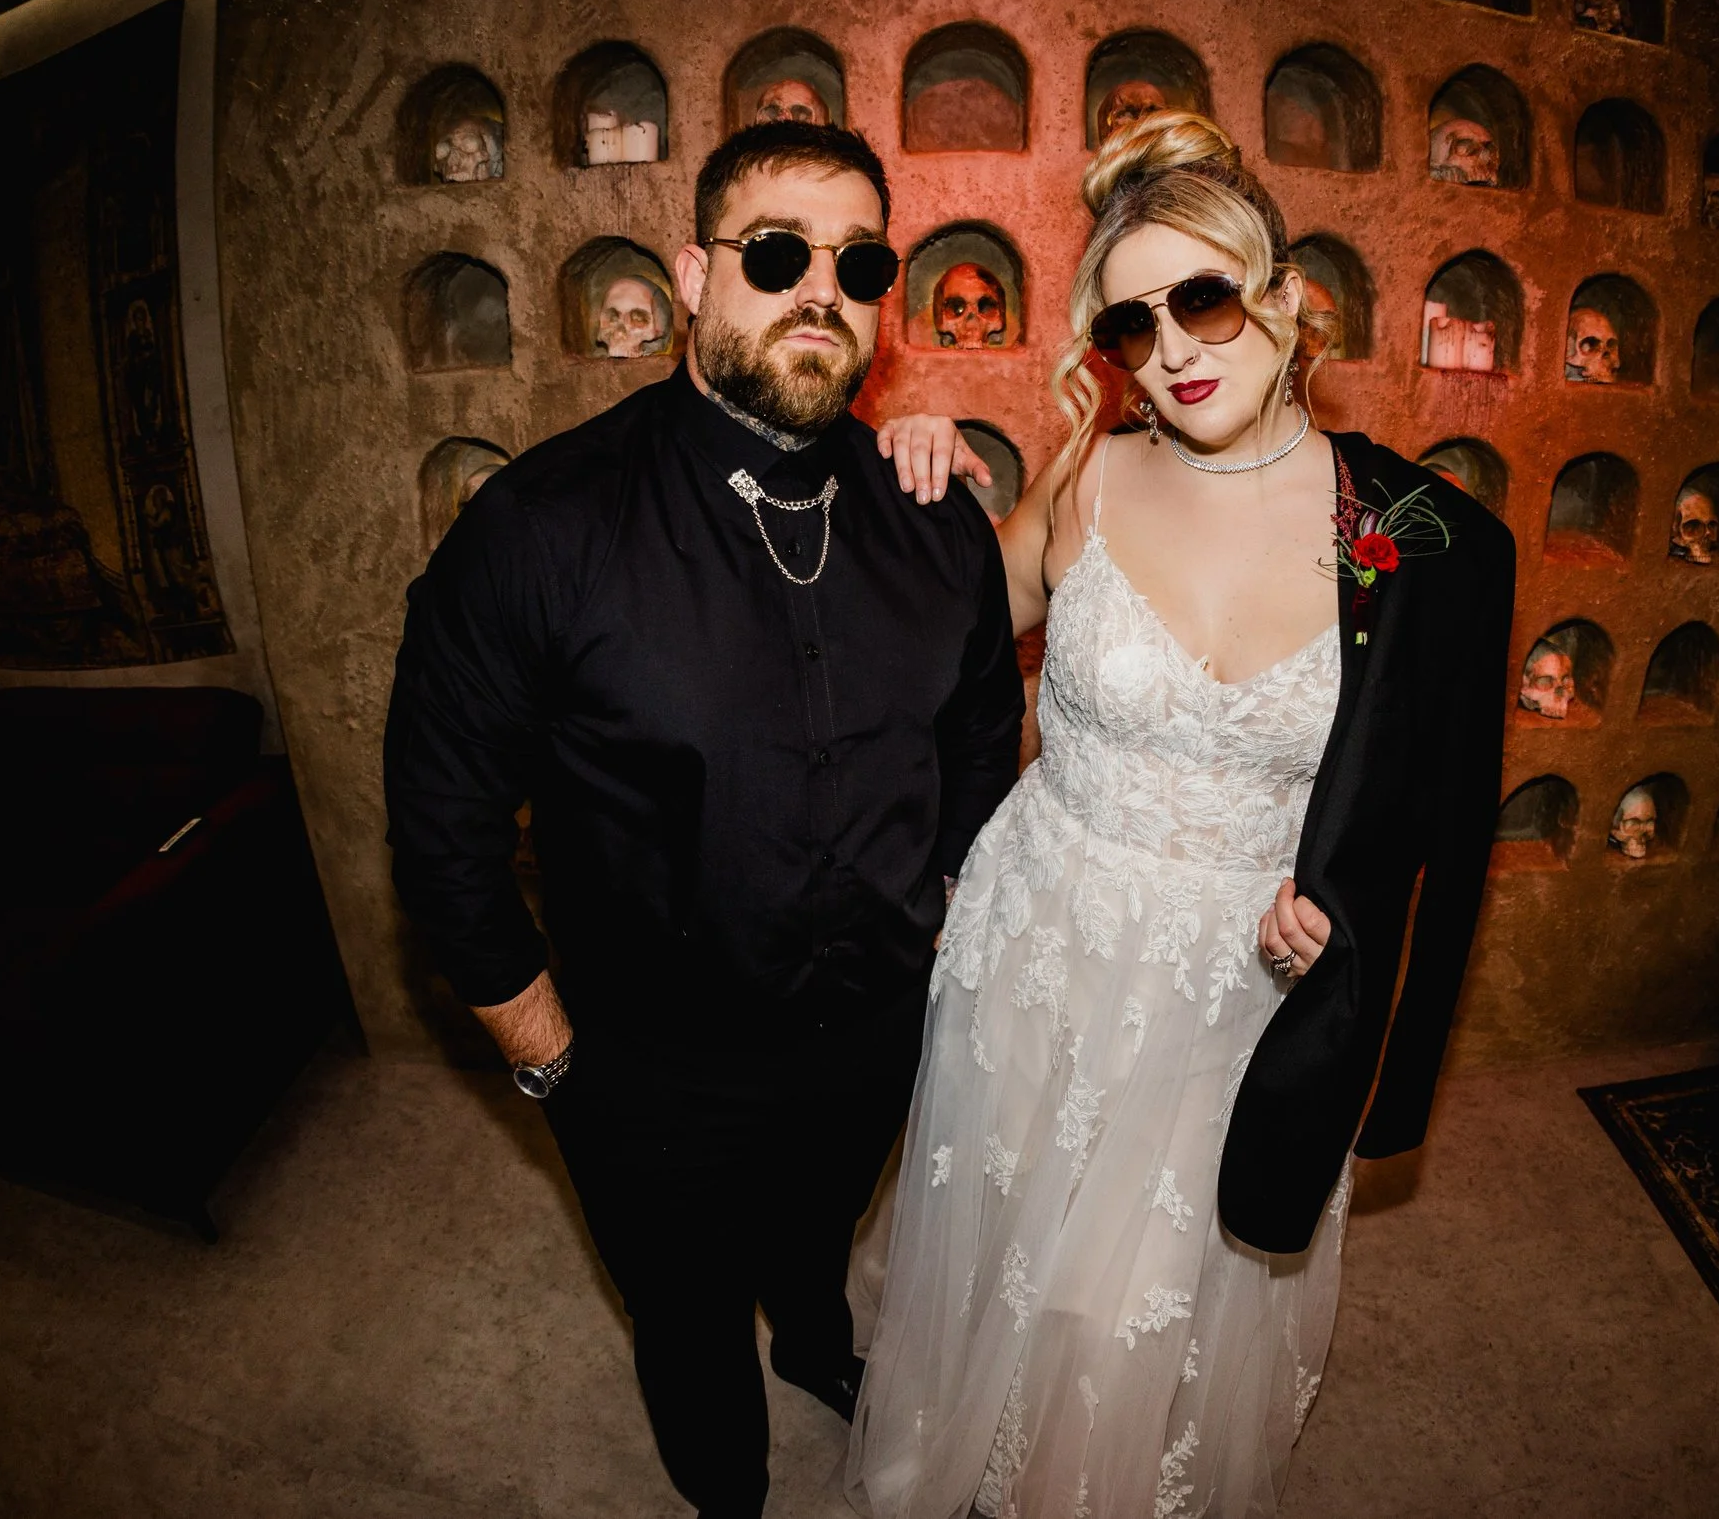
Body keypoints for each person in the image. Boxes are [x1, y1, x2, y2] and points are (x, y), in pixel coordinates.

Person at [848, 113, 1516, 1518]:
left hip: (1237, 984)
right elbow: (948, 623)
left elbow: (1422, 791)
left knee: (1133, 1311)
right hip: (1043, 936)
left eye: (1203, 297)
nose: (1172, 348)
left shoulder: (1405, 536)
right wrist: (898, 470)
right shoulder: (1091, 475)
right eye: (1129, 323)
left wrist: (1335, 891)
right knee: (1015, 1254)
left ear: (1285, 300)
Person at [382, 120, 1026, 1519]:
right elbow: (443, 826)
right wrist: (557, 1066)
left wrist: (951, 915)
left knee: (815, 1237)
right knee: (684, 1322)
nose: (821, 292)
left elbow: (982, 730)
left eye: (858, 264)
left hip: (871, 1027)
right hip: (647, 1063)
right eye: (778, 252)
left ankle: (815, 1338)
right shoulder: (540, 527)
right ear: (691, 275)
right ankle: (727, 1487)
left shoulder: (935, 519)